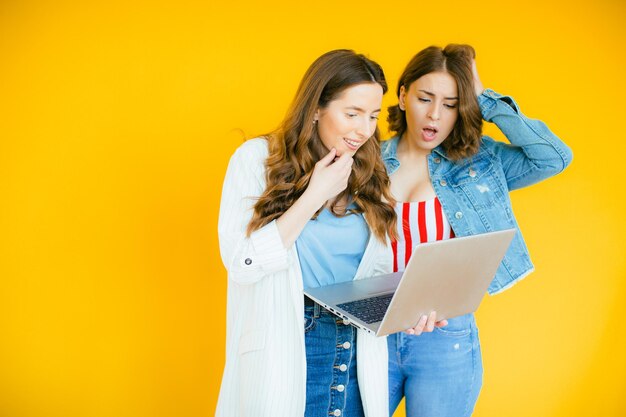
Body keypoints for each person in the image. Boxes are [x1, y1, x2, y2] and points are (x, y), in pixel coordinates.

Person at [381, 44, 573, 417]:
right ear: (403, 96)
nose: (435, 114)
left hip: (445, 335)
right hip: (376, 332)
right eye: (425, 98)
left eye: (452, 104)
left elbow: (554, 157)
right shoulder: (368, 161)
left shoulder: (481, 161)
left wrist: (484, 97)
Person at [216, 49, 398, 417]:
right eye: (352, 114)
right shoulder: (256, 159)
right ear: (316, 108)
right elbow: (242, 263)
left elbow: (373, 274)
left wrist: (408, 308)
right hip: (295, 341)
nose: (365, 130)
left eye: (373, 116)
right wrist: (315, 192)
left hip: (356, 352)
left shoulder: (368, 172)